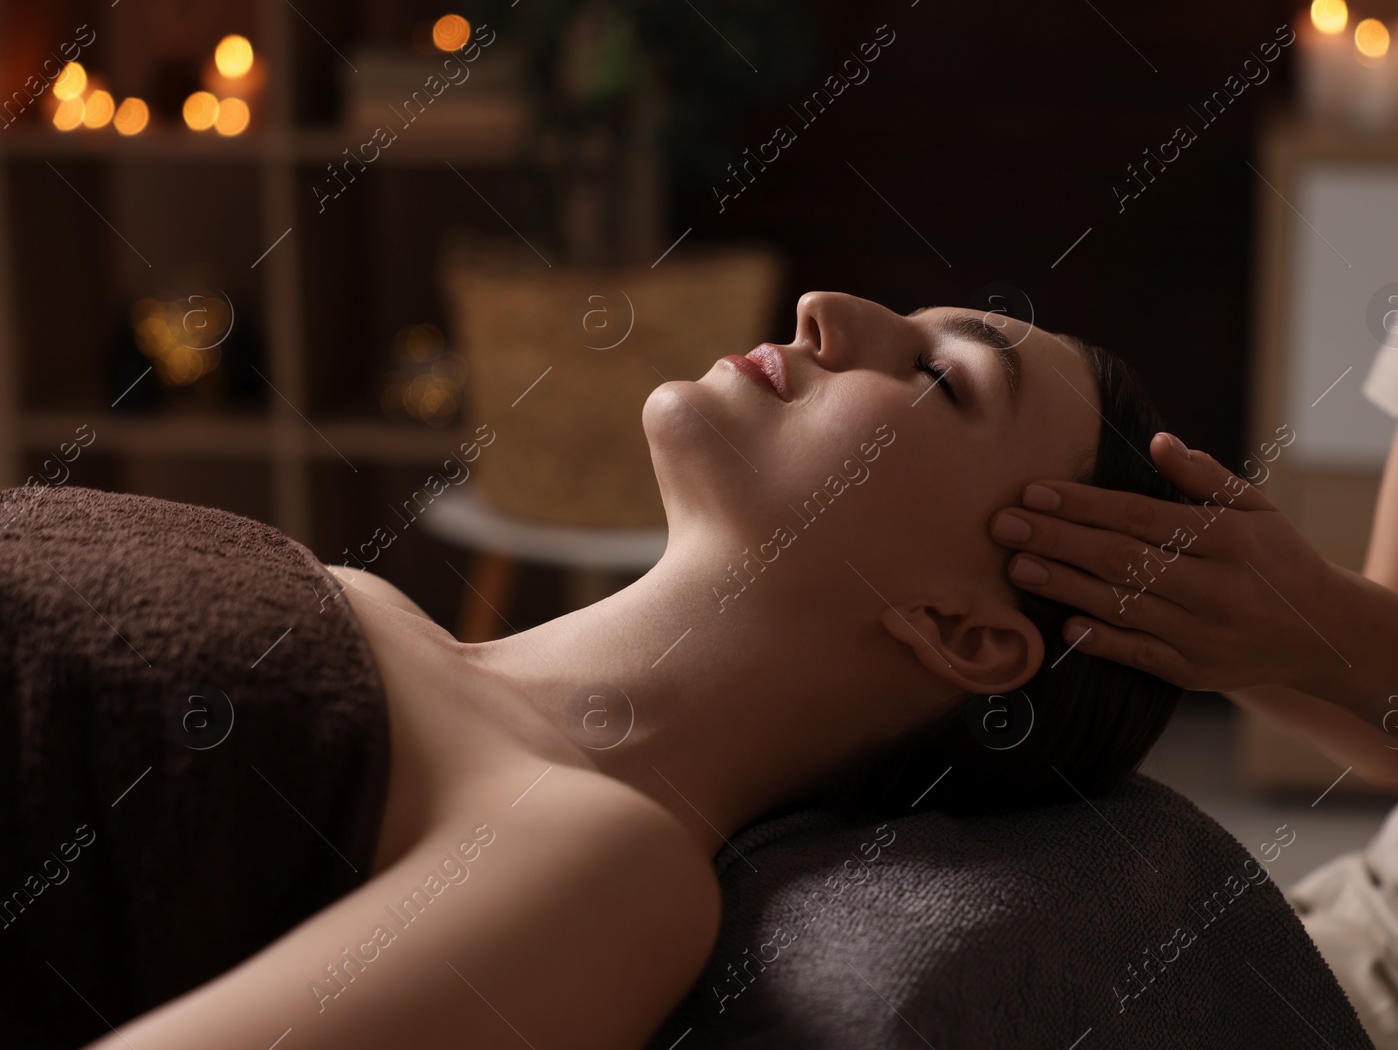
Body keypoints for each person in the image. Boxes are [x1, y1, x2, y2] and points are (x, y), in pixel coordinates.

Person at [77, 293, 1185, 1050]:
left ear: (963, 630)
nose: (830, 311)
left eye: (943, 378)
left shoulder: (605, 864)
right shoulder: (366, 599)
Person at [987, 27, 1398, 1050]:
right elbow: (1394, 726)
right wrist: (1198, 609)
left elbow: (1363, 650)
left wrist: (1321, 627)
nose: (819, 318)